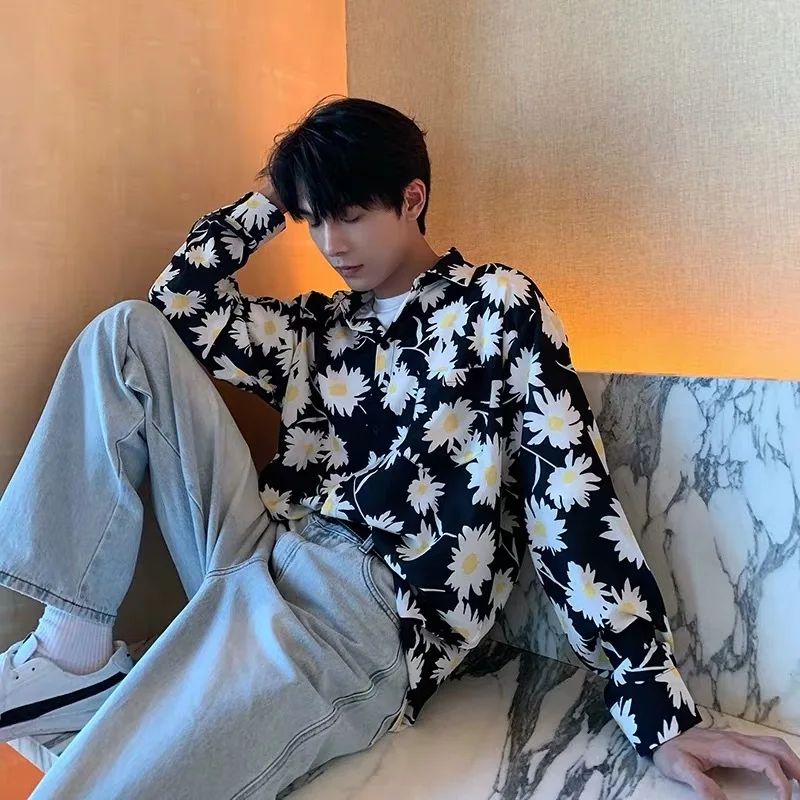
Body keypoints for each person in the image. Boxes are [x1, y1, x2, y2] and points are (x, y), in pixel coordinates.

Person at [0, 97, 798, 800]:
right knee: (125, 334)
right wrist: (278, 189)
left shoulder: (496, 307)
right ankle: (75, 652)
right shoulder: (321, 327)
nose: (330, 241)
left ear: (412, 199)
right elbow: (179, 300)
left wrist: (656, 703)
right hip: (254, 544)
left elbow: (570, 494)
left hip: (357, 612)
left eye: (349, 214)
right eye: (314, 218)